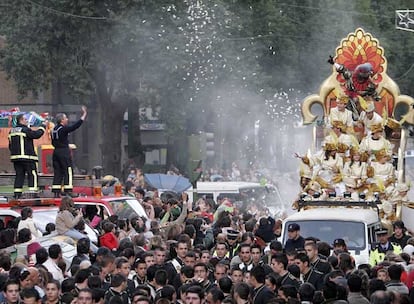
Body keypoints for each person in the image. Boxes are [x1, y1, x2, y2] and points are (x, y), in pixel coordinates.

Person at [51, 106, 87, 197]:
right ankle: (68, 190)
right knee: (68, 170)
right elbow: (74, 126)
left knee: (58, 172)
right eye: (66, 118)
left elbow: (53, 142)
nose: (67, 119)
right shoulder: (63, 129)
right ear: (62, 120)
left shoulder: (53, 130)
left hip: (55, 152)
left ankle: (56, 191)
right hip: (64, 152)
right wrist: (83, 116)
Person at [9, 113, 46, 198]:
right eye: (25, 119)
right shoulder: (25, 130)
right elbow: (36, 135)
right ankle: (33, 193)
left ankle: (17, 195)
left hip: (16, 159)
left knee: (19, 176)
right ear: (21, 120)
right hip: (27, 158)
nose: (26, 121)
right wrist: (43, 126)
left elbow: (10, 145)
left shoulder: (11, 131)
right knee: (32, 174)